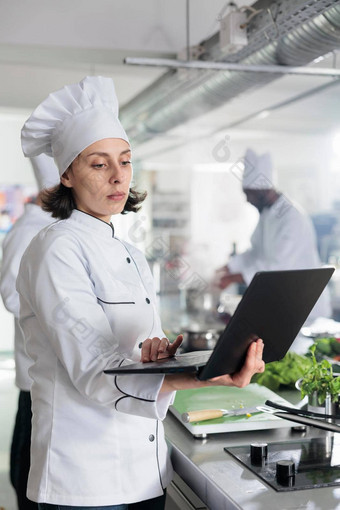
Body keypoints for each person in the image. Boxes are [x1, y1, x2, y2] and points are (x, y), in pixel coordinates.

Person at [17, 76, 265, 510]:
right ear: (67, 174)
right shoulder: (55, 248)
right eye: (99, 164)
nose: (118, 176)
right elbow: (94, 369)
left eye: (126, 161)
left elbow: (127, 352)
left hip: (145, 470)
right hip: (85, 480)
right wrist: (202, 376)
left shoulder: (128, 251)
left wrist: (156, 353)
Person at [0, 154, 59, 510]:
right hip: (33, 367)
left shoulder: (53, 224)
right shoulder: (28, 228)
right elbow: (10, 293)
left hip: (44, 368)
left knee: (31, 451)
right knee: (27, 458)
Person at [216, 148, 331, 321]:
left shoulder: (291, 217)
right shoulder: (267, 215)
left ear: (262, 191)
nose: (247, 200)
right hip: (285, 304)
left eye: (249, 194)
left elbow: (278, 267)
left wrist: (233, 277)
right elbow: (256, 252)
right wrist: (228, 268)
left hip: (306, 307)